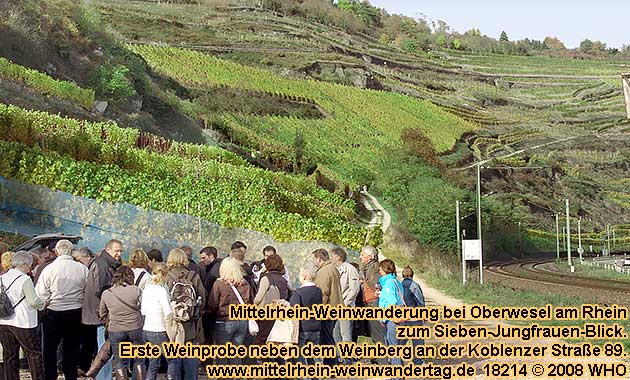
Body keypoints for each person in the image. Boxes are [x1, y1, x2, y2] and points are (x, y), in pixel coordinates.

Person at [35, 240, 89, 380]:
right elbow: (88, 289)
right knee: (71, 348)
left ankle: (50, 376)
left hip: (54, 311)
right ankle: (70, 375)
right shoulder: (82, 268)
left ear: (56, 251)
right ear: (71, 252)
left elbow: (41, 292)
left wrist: (47, 303)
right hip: (76, 312)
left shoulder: (49, 269)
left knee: (50, 349)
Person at [0, 251, 45, 380]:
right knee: (34, 354)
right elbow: (33, 301)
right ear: (25, 264)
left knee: (9, 354)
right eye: (30, 265)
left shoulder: (2, 277)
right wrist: (43, 304)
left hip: (4, 320)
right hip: (23, 321)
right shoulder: (24, 279)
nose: (30, 268)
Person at [83, 239, 124, 380]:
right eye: (116, 251)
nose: (119, 254)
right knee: (104, 350)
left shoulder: (105, 263)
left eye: (120, 251)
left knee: (105, 349)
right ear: (108, 250)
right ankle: (104, 377)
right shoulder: (102, 264)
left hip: (102, 313)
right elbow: (101, 289)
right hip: (102, 315)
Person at [166, 248, 206, 380]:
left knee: (174, 357)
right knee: (190, 355)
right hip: (190, 322)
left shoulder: (166, 276)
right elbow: (202, 298)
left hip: (172, 323)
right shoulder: (194, 276)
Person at [99, 266, 145, 380]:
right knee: (139, 360)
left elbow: (102, 313)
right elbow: (143, 308)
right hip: (135, 328)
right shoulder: (136, 290)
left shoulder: (107, 293)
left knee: (120, 362)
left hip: (116, 330)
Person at [208, 257, 251, 367]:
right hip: (242, 321)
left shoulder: (219, 284)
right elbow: (249, 301)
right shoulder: (244, 283)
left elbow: (212, 304)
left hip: (224, 321)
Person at [141, 263, 176, 380]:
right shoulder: (162, 290)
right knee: (172, 360)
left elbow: (143, 311)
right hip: (160, 329)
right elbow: (167, 311)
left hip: (147, 328)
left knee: (153, 363)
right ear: (166, 274)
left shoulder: (147, 289)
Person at [312, 248, 342, 366]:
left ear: (319, 258)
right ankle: (331, 364)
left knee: (326, 339)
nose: (313, 262)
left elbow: (323, 293)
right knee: (328, 337)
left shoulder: (324, 271)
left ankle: (330, 365)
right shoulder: (333, 268)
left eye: (314, 259)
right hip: (334, 307)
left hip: (327, 309)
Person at [253, 253, 290, 345]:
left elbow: (259, 298)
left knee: (263, 338)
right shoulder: (283, 280)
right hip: (280, 313)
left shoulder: (266, 278)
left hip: (266, 314)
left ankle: (263, 358)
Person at [289, 266, 322, 366]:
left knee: (300, 354)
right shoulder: (318, 291)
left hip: (303, 327)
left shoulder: (298, 293)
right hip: (316, 326)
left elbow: (295, 310)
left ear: (304, 277)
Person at [331, 248, 360, 355]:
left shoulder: (349, 269)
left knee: (346, 333)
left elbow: (354, 289)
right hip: (335, 306)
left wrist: (346, 303)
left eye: (332, 255)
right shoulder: (333, 269)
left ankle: (347, 357)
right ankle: (338, 357)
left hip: (346, 307)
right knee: (335, 333)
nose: (331, 258)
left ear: (338, 257)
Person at [359, 245, 386, 357]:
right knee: (374, 332)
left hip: (374, 302)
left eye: (363, 255)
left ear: (369, 257)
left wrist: (365, 281)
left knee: (377, 333)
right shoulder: (369, 267)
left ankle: (383, 360)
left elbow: (376, 285)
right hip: (371, 302)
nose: (360, 257)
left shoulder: (373, 268)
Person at [377, 259, 404, 368]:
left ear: (383, 269)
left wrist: (383, 318)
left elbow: (391, 302)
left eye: (380, 269)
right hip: (399, 316)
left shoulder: (388, 283)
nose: (379, 271)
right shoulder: (395, 281)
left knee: (393, 347)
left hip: (392, 319)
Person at [399, 266, 425, 365]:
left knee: (401, 339)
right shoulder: (414, 285)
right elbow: (419, 300)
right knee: (418, 340)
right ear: (412, 275)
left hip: (403, 316)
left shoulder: (400, 285)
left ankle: (396, 359)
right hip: (415, 316)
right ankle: (418, 361)